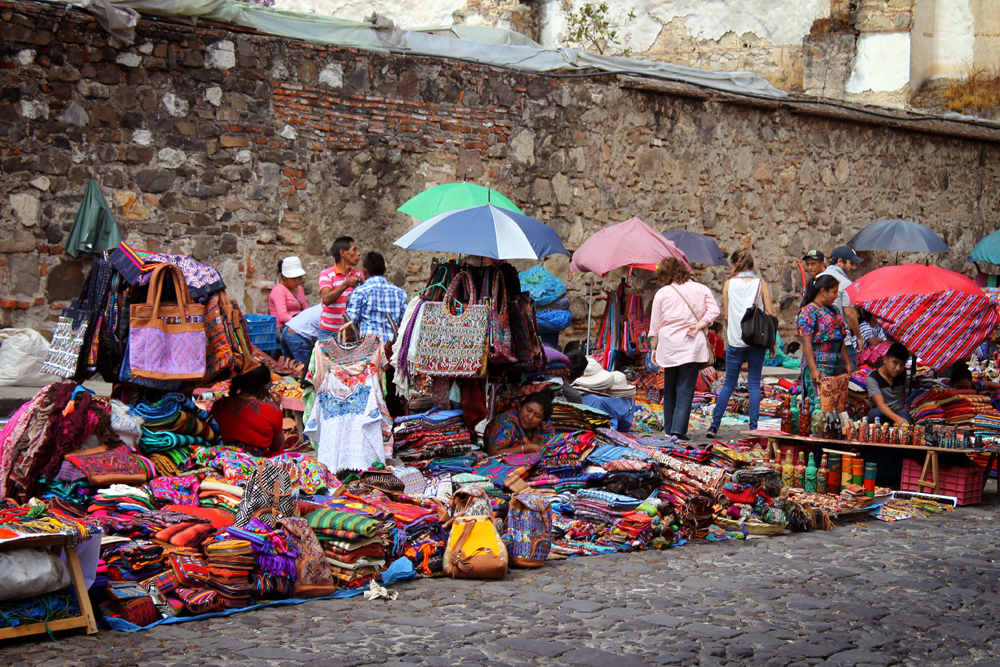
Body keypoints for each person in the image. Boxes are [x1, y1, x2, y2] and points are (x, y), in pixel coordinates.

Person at [648, 257, 720, 441]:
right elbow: (714, 311)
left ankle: (669, 428)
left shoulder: (662, 293)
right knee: (686, 387)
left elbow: (655, 324)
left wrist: (653, 349)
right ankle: (678, 431)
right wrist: (700, 324)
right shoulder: (701, 289)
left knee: (670, 386)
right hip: (692, 344)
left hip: (669, 345)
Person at [706, 249, 773, 439]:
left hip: (735, 340)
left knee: (729, 383)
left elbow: (726, 316)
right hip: (757, 341)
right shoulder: (762, 285)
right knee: (753, 383)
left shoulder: (728, 284)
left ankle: (714, 425)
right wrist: (772, 342)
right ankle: (753, 428)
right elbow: (769, 314)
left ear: (736, 265)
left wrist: (733, 332)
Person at [797, 274, 854, 409]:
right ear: (823, 291)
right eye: (834, 292)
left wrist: (847, 363)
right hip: (818, 363)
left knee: (833, 403)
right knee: (819, 404)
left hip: (835, 363)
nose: (836, 296)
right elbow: (807, 344)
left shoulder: (833, 310)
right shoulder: (809, 312)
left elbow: (840, 339)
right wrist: (814, 370)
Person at [209, 365, 284, 455]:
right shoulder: (272, 410)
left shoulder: (219, 404)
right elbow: (276, 446)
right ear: (265, 386)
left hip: (219, 455)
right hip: (252, 462)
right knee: (281, 453)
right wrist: (276, 409)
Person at [817, 246, 865, 371]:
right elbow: (850, 314)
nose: (853, 267)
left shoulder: (816, 280)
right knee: (849, 385)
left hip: (819, 343)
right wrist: (859, 337)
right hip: (842, 342)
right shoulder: (845, 283)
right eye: (851, 263)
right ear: (840, 261)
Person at [344, 251, 408, 344]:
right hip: (392, 349)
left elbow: (350, 322)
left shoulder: (360, 292)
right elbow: (406, 322)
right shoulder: (400, 293)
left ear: (364, 270)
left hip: (369, 349)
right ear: (385, 270)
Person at [317, 236, 363, 341]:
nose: (358, 253)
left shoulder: (358, 275)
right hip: (328, 332)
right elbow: (326, 299)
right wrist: (345, 284)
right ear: (342, 253)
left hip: (350, 332)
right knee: (323, 357)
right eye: (354, 250)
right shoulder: (327, 274)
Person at [484, 392, 556, 456]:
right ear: (520, 406)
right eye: (528, 410)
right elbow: (492, 453)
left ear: (542, 420)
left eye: (537, 416)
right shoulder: (507, 422)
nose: (530, 417)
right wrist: (526, 448)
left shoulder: (545, 427)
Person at [866, 343, 913, 425]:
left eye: (902, 364)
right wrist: (897, 419)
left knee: (906, 421)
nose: (898, 368)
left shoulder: (902, 374)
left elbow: (903, 392)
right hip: (881, 412)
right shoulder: (873, 377)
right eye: (895, 363)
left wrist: (907, 406)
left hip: (899, 411)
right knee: (874, 414)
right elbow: (880, 405)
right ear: (885, 359)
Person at [268, 256, 308, 331]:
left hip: (298, 325)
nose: (297, 281)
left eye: (299, 277)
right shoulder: (278, 290)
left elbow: (305, 310)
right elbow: (283, 316)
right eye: (294, 278)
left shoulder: (300, 289)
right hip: (281, 328)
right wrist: (299, 324)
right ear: (284, 277)